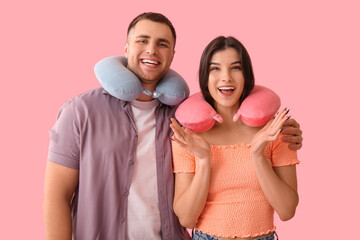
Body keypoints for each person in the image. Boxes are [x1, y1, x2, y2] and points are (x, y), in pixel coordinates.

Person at [43, 12, 303, 240]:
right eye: (142, 40)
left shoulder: (180, 118)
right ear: (126, 47)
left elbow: (286, 207)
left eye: (162, 44)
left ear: (172, 54)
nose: (152, 50)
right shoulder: (81, 111)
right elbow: (57, 195)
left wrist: (284, 135)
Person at [170, 36, 300, 240]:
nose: (226, 78)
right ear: (205, 77)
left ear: (247, 76)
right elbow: (186, 218)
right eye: (215, 68)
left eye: (235, 68)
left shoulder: (275, 131)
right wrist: (204, 160)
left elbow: (287, 210)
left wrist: (257, 155)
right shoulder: (188, 137)